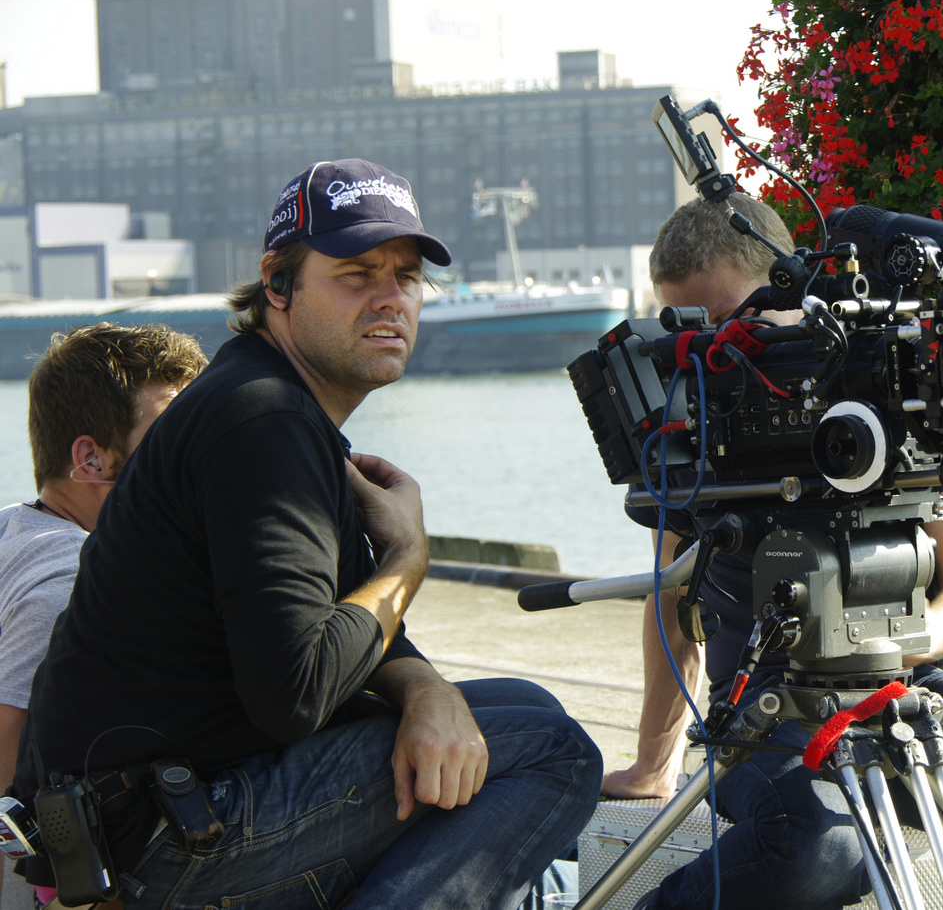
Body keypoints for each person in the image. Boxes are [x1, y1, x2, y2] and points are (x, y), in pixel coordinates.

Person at [9, 158, 603, 910]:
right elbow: (297, 692)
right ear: (278, 285)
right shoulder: (263, 422)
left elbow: (339, 616)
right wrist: (407, 557)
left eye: (407, 277)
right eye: (356, 274)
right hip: (161, 836)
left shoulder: (269, 401)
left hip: (146, 805)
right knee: (554, 753)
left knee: (523, 706)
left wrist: (424, 687)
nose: (390, 298)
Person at [601, 194, 943, 909]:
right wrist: (655, 763)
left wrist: (877, 644)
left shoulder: (900, 391)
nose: (714, 349)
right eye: (689, 328)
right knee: (822, 845)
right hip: (763, 716)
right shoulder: (696, 419)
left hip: (908, 692)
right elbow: (675, 600)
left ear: (788, 287)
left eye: (733, 320)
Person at [0, 323, 207, 909]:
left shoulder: (16, 525)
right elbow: (9, 763)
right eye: (170, 439)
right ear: (91, 459)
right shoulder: (73, 578)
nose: (195, 456)